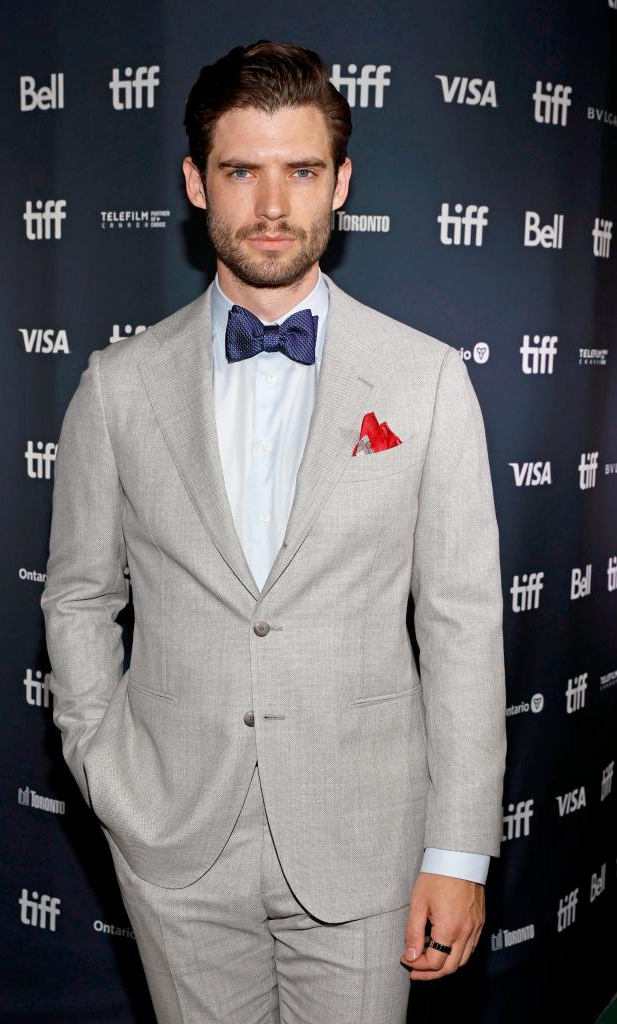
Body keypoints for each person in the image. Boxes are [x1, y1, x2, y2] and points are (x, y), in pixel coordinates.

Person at [40, 39, 507, 1024]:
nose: (268, 205)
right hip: (173, 836)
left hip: (365, 839)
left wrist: (456, 851)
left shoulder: (424, 382)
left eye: (298, 170)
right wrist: (101, 759)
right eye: (239, 170)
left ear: (339, 182)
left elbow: (462, 625)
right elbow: (80, 592)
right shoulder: (116, 387)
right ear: (193, 182)